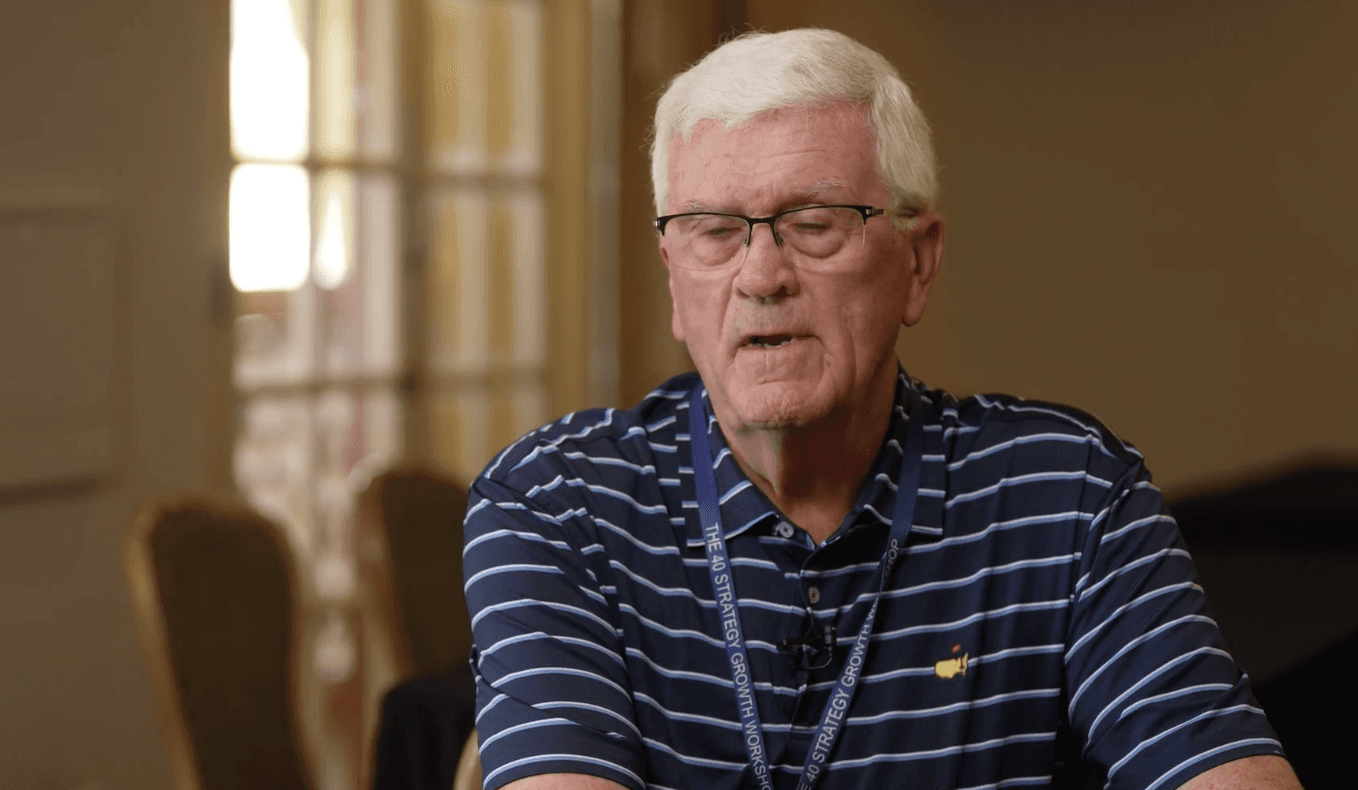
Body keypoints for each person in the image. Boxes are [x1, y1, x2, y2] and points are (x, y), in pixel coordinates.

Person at [462, 28, 1299, 790]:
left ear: (918, 263)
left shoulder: (1071, 493)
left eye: (814, 222)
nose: (761, 276)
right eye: (715, 231)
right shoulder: (553, 502)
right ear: (675, 283)